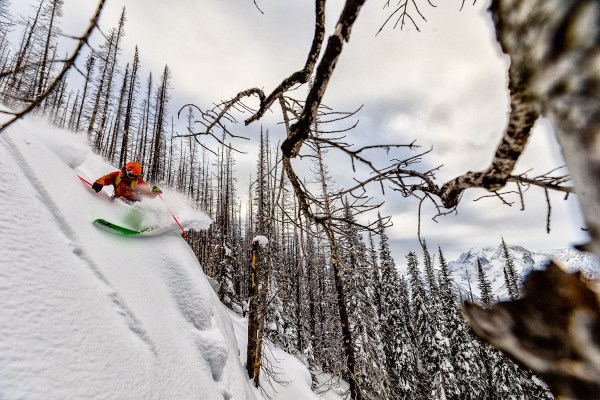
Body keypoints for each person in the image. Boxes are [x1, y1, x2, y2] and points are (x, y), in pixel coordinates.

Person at [91, 161, 162, 202]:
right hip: (118, 201)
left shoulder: (138, 181)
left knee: (141, 207)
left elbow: (147, 194)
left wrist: (154, 193)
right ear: (126, 170)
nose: (132, 177)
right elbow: (105, 179)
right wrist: (99, 184)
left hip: (133, 203)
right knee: (118, 203)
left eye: (135, 176)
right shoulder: (117, 176)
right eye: (130, 175)